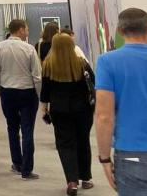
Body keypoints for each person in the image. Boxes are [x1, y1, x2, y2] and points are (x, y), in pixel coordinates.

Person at [95, 8, 147, 195]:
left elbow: (104, 116)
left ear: (120, 31)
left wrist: (104, 158)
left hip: (132, 154)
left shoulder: (108, 62)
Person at [40, 33, 95, 196]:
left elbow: (45, 90)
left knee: (65, 144)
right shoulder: (81, 63)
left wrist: (44, 108)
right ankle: (86, 178)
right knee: (83, 141)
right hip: (83, 110)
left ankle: (72, 181)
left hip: (59, 110)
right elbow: (93, 83)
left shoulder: (48, 65)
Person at [0, 19, 41, 180]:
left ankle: (17, 163)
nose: (27, 32)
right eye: (26, 29)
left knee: (12, 128)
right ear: (20, 30)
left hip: (8, 91)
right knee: (27, 130)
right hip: (27, 92)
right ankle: (27, 169)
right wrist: (40, 95)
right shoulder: (29, 49)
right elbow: (37, 75)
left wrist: (0, 89)